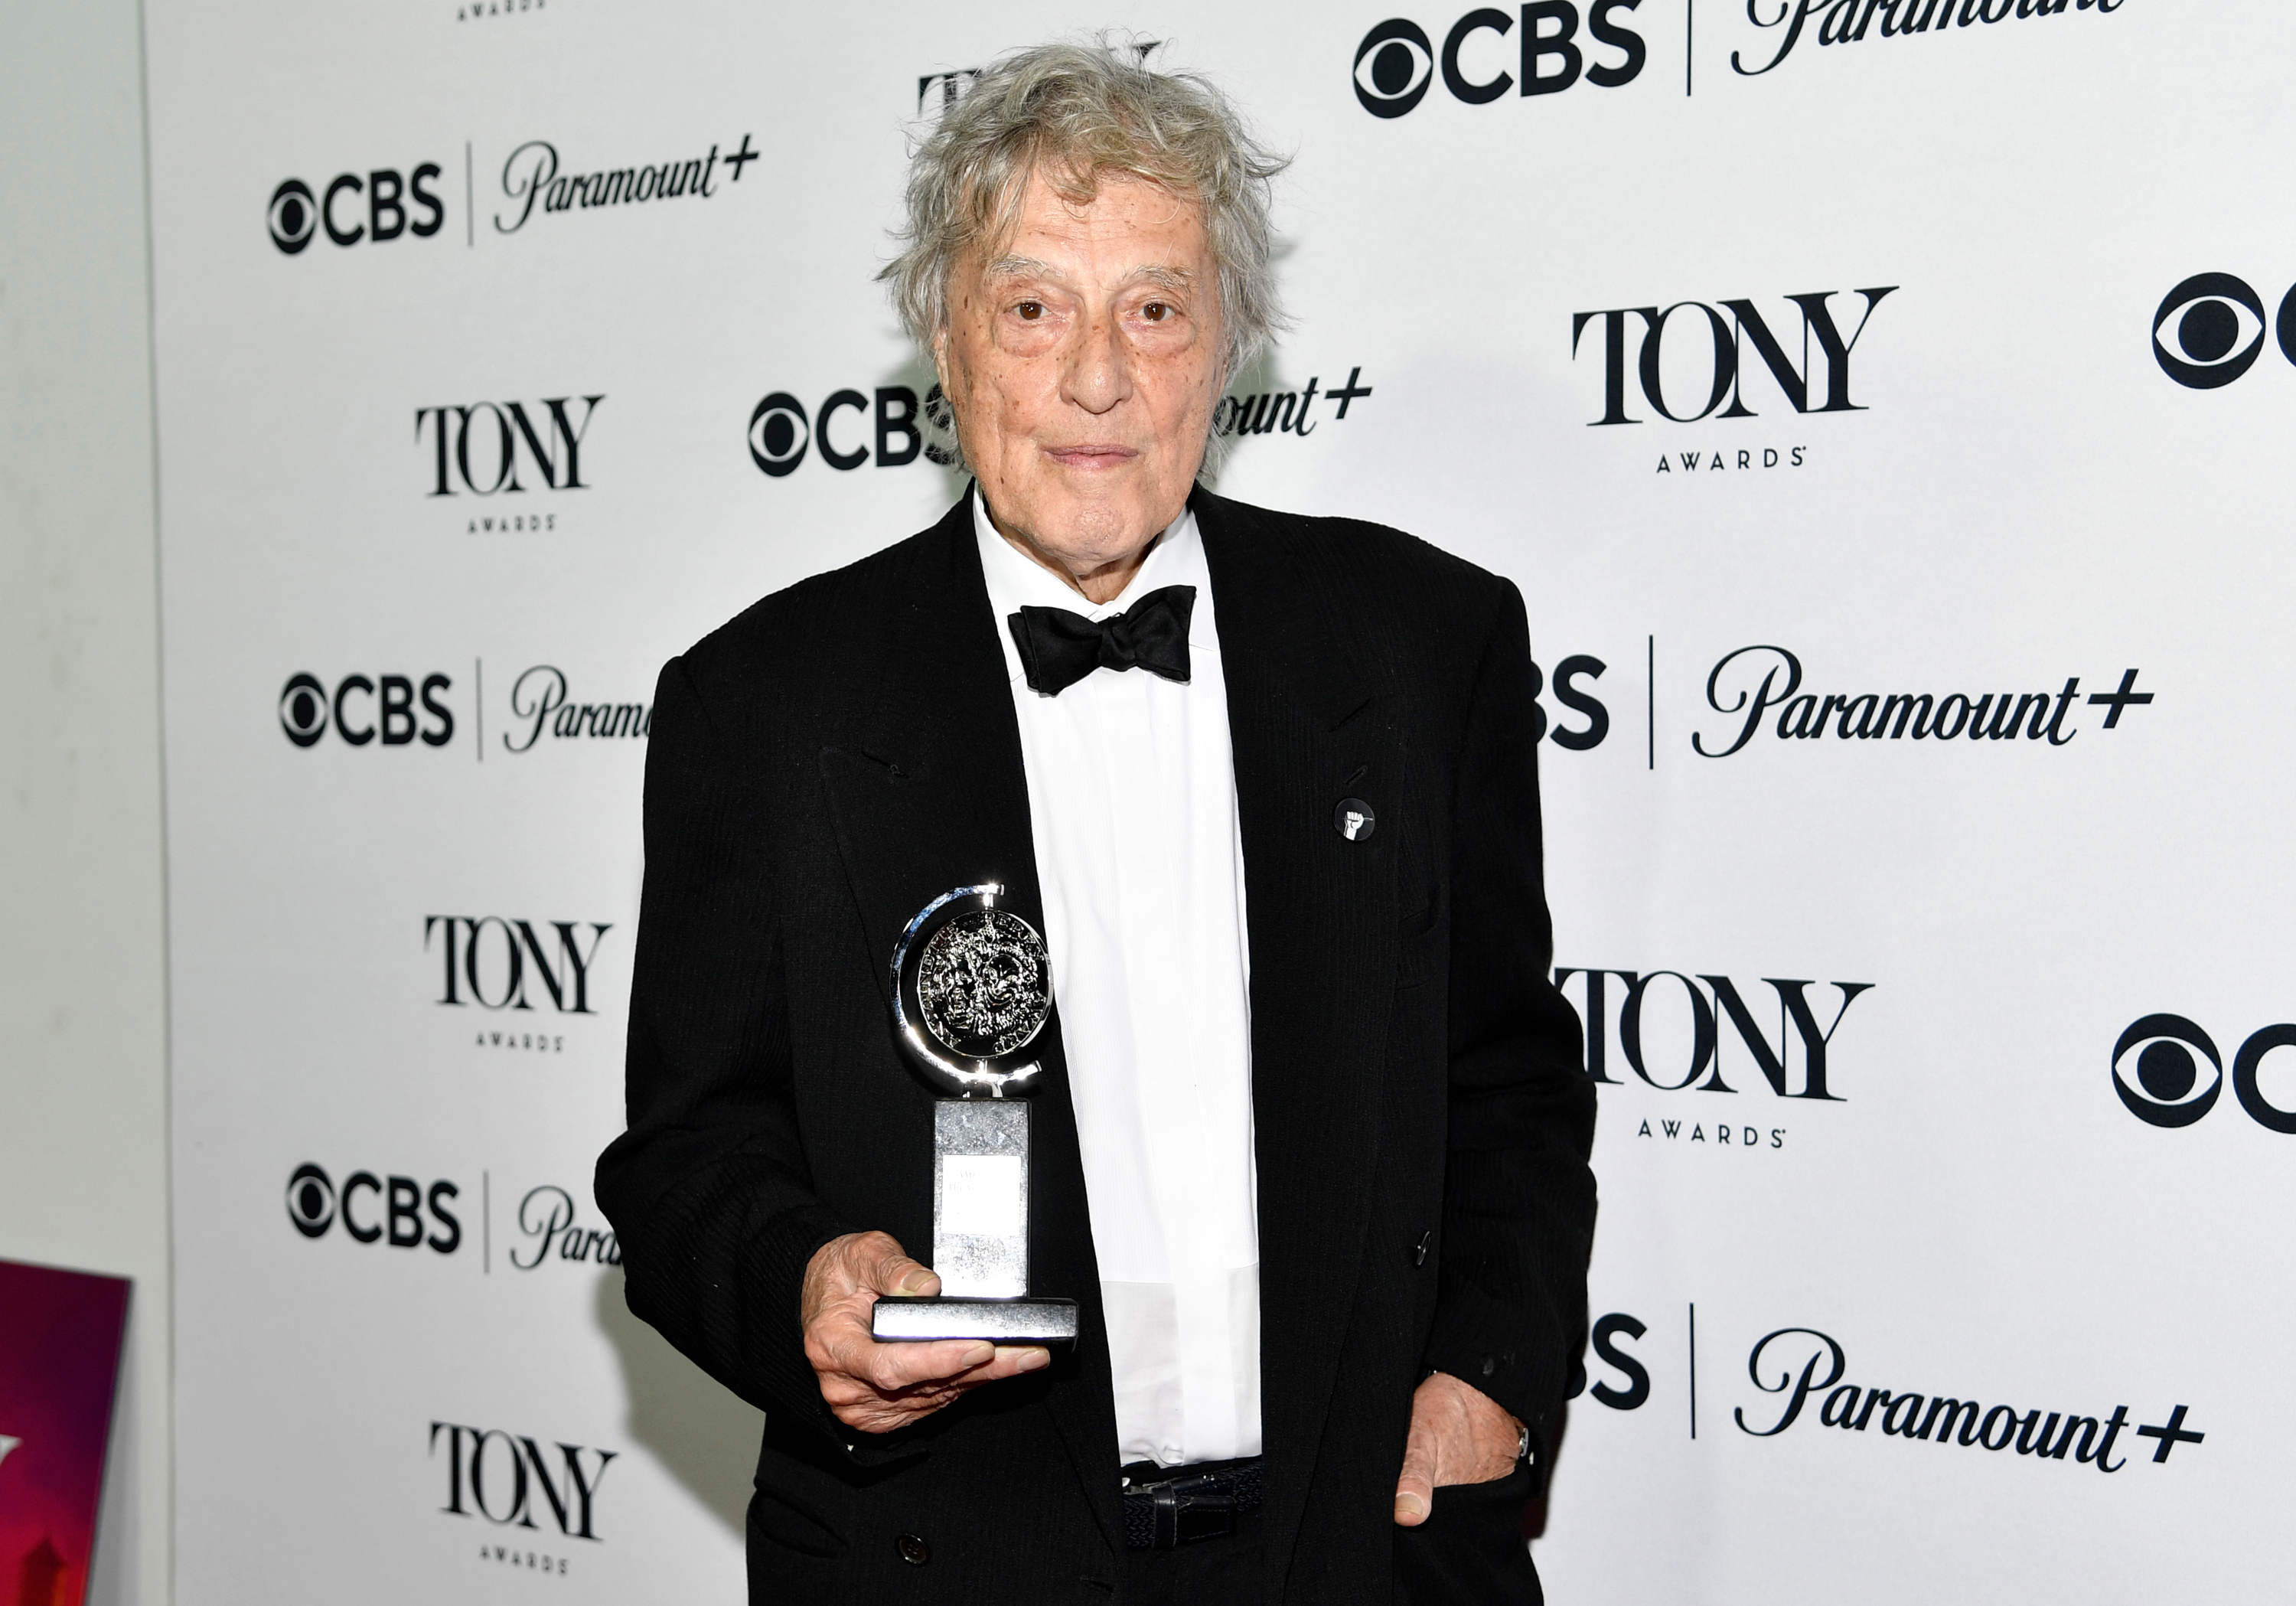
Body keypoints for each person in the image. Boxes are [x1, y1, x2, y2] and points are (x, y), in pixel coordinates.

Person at [596, 39, 1596, 1605]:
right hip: (945, 1550)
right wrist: (800, 1277)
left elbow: (1510, 1075)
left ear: (1228, 346)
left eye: (1154, 306)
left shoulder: (1422, 649)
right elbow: (683, 1161)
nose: (1094, 377)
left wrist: (1488, 1377)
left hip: (1356, 1554)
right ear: (947, 338)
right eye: (1032, 304)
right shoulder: (764, 704)